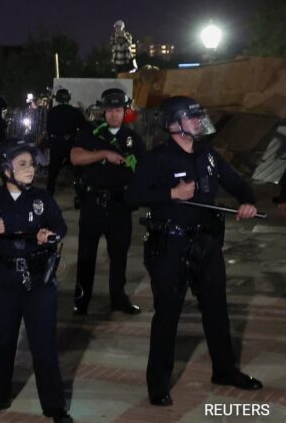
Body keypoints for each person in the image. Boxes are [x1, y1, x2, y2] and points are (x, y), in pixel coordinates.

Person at [126, 96, 263, 406]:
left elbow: (238, 184)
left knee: (217, 310)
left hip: (207, 245)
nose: (200, 122)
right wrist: (171, 193)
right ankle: (158, 385)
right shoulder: (158, 158)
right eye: (193, 117)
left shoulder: (209, 156)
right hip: (170, 246)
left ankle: (225, 370)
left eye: (200, 117)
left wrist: (248, 201)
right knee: (167, 315)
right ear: (175, 124)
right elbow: (132, 195)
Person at [0, 139, 72, 422]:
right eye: (23, 164)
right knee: (4, 343)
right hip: (1, 283)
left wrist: (51, 235)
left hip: (38, 283)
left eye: (31, 164)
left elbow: (61, 226)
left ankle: (54, 406)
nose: (30, 169)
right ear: (5, 169)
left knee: (44, 345)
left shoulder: (42, 199)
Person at [70, 89, 144, 316]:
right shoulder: (91, 132)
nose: (114, 115)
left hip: (120, 205)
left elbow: (144, 169)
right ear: (104, 111)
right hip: (93, 202)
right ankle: (81, 301)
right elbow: (75, 157)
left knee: (119, 256)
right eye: (110, 110)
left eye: (118, 110)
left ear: (125, 112)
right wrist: (103, 154)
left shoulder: (132, 138)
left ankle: (118, 298)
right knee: (86, 256)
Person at [46, 89, 86, 195]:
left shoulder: (52, 111)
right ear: (68, 98)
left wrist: (51, 141)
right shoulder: (75, 111)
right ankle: (80, 193)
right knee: (78, 170)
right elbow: (83, 126)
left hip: (56, 143)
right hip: (71, 143)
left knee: (53, 171)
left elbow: (48, 129)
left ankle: (49, 193)